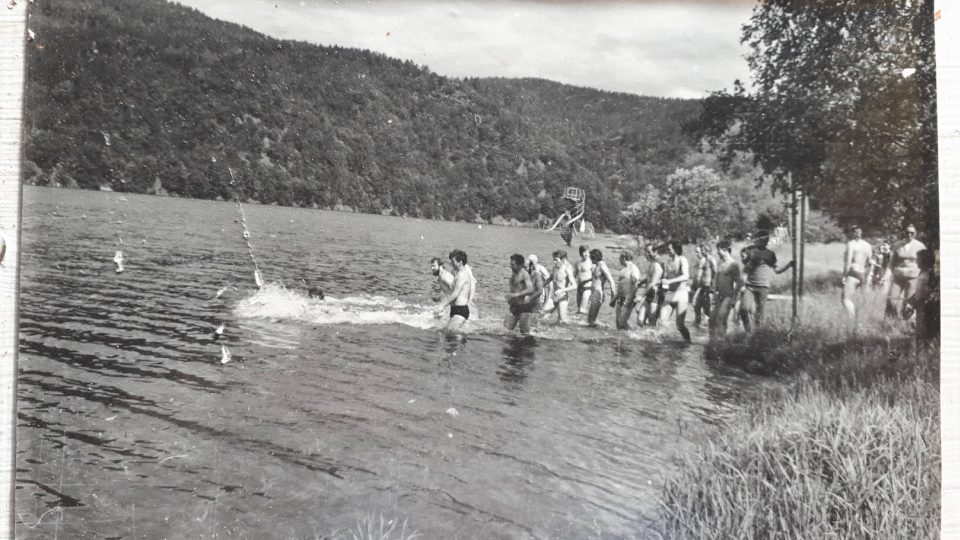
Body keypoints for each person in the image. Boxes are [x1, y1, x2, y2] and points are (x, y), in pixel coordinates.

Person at [739, 232, 794, 333]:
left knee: (760, 315)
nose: (762, 242)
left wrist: (788, 265)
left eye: (764, 240)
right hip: (750, 286)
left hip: (763, 287)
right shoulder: (751, 251)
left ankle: (757, 337)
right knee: (743, 310)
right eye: (758, 239)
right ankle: (748, 333)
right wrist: (748, 257)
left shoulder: (770, 254)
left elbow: (777, 270)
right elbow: (744, 265)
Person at [882, 224, 926, 319]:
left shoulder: (920, 246)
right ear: (904, 233)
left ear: (915, 234)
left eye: (912, 233)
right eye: (907, 232)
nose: (909, 235)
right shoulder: (898, 245)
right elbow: (891, 263)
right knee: (891, 300)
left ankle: (906, 324)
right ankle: (891, 322)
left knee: (908, 303)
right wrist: (886, 276)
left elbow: (925, 264)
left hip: (913, 277)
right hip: (898, 277)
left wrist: (922, 279)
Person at [709, 240, 743, 340]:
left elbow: (739, 282)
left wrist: (734, 299)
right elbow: (716, 280)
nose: (717, 252)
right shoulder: (720, 262)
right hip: (719, 295)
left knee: (720, 319)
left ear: (725, 249)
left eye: (718, 250)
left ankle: (720, 342)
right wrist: (714, 294)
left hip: (728, 296)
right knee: (711, 320)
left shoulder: (733, 264)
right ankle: (712, 343)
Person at [659, 241, 692, 342]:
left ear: (676, 250)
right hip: (670, 293)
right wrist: (663, 282)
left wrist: (670, 281)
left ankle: (688, 342)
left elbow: (686, 276)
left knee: (680, 325)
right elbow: (665, 277)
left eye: (669, 249)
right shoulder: (668, 262)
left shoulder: (683, 260)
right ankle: (663, 342)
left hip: (681, 294)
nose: (668, 251)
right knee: (662, 321)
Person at [434, 249, 474, 332]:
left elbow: (455, 294)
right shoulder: (457, 274)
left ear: (460, 262)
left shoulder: (462, 275)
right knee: (449, 335)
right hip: (455, 309)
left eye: (453, 261)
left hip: (461, 310)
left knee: (451, 334)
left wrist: (442, 305)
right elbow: (451, 291)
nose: (451, 263)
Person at [841, 225, 873, 319]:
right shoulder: (867, 245)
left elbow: (848, 261)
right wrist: (868, 276)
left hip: (853, 272)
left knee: (845, 299)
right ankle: (860, 318)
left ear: (852, 233)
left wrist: (844, 275)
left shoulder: (851, 244)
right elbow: (870, 262)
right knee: (860, 299)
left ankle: (851, 319)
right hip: (863, 273)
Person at [504, 253, 537, 334]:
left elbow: (530, 289)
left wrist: (516, 295)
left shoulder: (524, 274)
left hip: (524, 308)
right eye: (510, 264)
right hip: (514, 306)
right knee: (506, 330)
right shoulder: (514, 272)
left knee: (524, 335)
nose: (510, 266)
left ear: (519, 265)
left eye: (513, 265)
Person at [540, 250, 577, 323]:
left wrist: (561, 290)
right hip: (554, 296)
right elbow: (550, 279)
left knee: (561, 321)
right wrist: (541, 287)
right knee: (542, 314)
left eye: (556, 260)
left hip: (562, 297)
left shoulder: (567, 269)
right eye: (553, 259)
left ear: (562, 259)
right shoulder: (555, 268)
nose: (554, 262)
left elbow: (574, 286)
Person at [610, 251, 641, 329]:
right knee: (618, 323)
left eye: (619, 258)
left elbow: (635, 284)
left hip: (628, 298)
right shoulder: (624, 269)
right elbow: (621, 286)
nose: (619, 260)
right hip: (620, 298)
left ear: (623, 257)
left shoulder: (633, 268)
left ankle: (633, 335)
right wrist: (614, 299)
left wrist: (630, 299)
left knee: (622, 322)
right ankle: (621, 339)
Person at [636, 244, 664, 327]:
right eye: (646, 252)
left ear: (656, 251)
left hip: (656, 294)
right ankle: (645, 336)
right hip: (649, 292)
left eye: (649, 252)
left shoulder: (659, 263)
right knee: (640, 320)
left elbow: (653, 283)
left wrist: (641, 298)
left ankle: (653, 337)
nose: (646, 254)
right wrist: (641, 283)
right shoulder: (652, 262)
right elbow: (649, 278)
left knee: (652, 321)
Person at [586, 248, 616, 326]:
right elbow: (596, 278)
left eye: (590, 257)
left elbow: (611, 281)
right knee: (591, 320)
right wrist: (585, 282)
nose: (589, 259)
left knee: (591, 321)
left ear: (594, 258)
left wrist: (613, 297)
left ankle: (606, 327)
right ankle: (604, 328)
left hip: (598, 294)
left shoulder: (602, 266)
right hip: (594, 294)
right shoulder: (596, 265)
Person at [691, 244, 717, 327]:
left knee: (707, 309)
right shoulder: (705, 260)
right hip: (702, 287)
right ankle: (698, 324)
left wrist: (712, 288)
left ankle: (708, 326)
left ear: (707, 251)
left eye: (702, 250)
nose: (701, 252)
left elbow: (716, 273)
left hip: (708, 287)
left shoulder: (711, 260)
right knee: (696, 305)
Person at [575, 245, 594, 314]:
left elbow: (595, 275)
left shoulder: (591, 262)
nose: (586, 254)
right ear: (580, 253)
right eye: (584, 252)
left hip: (587, 287)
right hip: (579, 287)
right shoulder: (577, 262)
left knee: (582, 310)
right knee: (579, 310)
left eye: (588, 252)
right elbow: (574, 274)